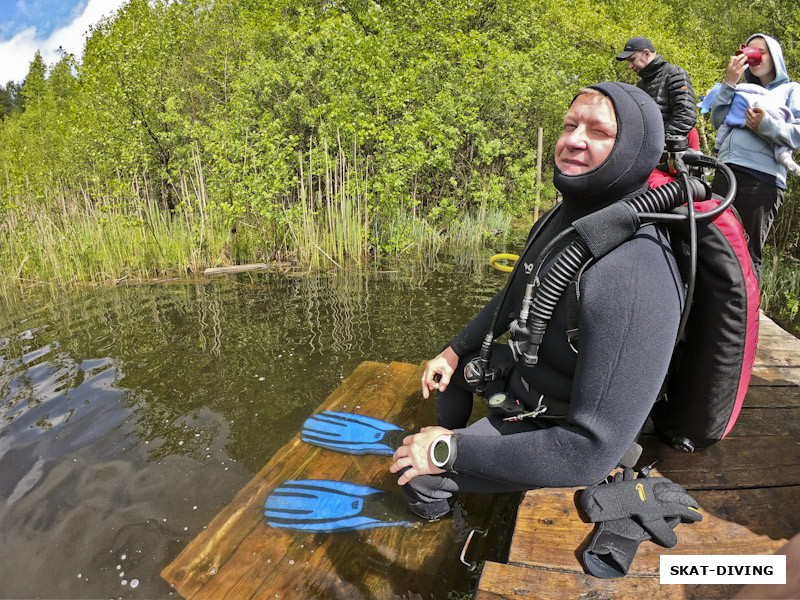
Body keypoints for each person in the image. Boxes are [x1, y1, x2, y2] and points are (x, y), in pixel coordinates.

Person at [389, 82, 684, 519]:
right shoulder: (562, 219)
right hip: (530, 381)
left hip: (562, 429)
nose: (573, 140)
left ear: (635, 149)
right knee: (447, 378)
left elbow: (591, 451)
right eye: (570, 125)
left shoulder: (636, 270)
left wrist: (448, 454)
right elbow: (516, 294)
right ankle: (445, 444)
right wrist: (453, 352)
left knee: (419, 482)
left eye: (598, 132)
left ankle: (445, 521)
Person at [710, 34, 800, 278]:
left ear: (776, 57)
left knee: (746, 250)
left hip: (761, 178)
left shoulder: (791, 90)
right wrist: (729, 83)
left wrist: (766, 126)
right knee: (712, 243)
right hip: (726, 172)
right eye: (750, 51)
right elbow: (718, 121)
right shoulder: (741, 88)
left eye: (762, 51)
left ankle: (745, 315)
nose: (755, 55)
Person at [616, 36, 698, 146]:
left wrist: (657, 141)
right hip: (650, 151)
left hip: (670, 152)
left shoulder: (675, 74)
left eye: (632, 60)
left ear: (646, 53)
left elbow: (686, 116)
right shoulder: (640, 85)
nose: (629, 66)